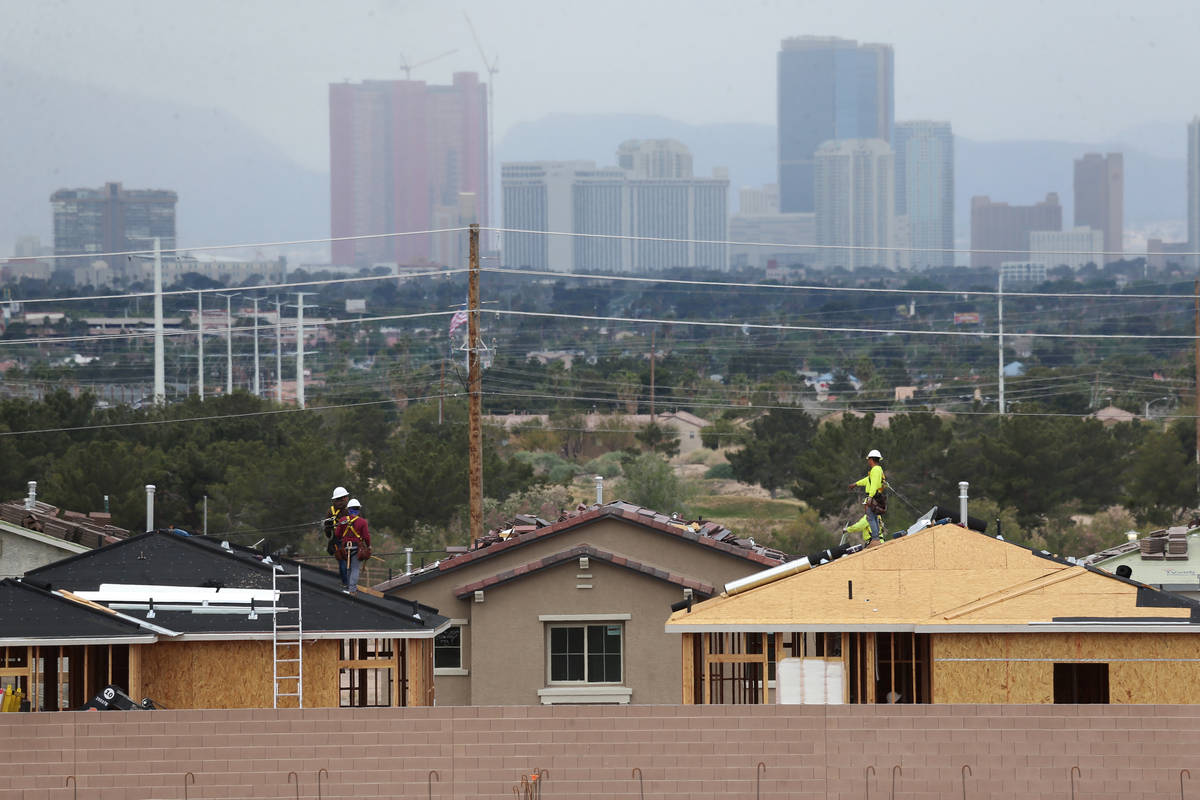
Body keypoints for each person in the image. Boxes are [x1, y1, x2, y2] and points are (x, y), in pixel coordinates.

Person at [845, 448, 887, 548]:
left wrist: (870, 497)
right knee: (874, 517)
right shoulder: (876, 470)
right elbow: (867, 480)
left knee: (870, 517)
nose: (868, 461)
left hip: (873, 496)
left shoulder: (876, 470)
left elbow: (874, 485)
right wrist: (856, 484)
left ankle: (875, 539)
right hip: (875, 495)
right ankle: (876, 539)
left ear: (872, 459)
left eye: (869, 459)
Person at [333, 498, 371, 594]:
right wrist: (369, 546)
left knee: (348, 568)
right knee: (354, 568)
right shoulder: (362, 522)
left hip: (345, 548)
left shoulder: (342, 520)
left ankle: (349, 588)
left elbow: (337, 534)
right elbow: (366, 536)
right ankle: (352, 590)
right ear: (358, 510)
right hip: (356, 548)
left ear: (348, 510)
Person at [324, 486, 350, 556]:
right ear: (345, 497)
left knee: (342, 562)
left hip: (338, 540)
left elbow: (327, 528)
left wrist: (329, 537)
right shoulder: (352, 509)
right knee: (353, 563)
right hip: (352, 539)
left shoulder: (331, 511)